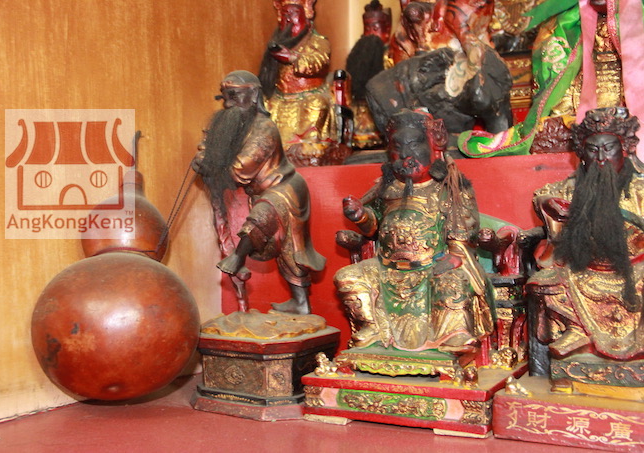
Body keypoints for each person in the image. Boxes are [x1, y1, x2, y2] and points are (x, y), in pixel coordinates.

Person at [334, 109, 495, 353]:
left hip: (431, 265)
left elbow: (465, 227)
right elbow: (373, 226)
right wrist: (360, 216)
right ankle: (373, 328)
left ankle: (453, 334)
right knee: (347, 277)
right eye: (397, 148)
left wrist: (455, 255)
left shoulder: (449, 186)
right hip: (386, 268)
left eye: (414, 145)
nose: (405, 156)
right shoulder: (386, 188)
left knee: (453, 282)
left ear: (433, 147)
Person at [193, 70, 326, 315]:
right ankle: (300, 303)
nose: (228, 104)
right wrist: (203, 158)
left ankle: (238, 257)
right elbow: (210, 148)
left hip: (285, 188)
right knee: (283, 248)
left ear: (254, 95)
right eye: (225, 97)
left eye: (234, 96)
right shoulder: (234, 126)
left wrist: (211, 166)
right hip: (262, 192)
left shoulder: (265, 129)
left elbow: (243, 166)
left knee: (274, 230)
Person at [527, 107, 644, 362]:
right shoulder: (569, 190)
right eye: (593, 150)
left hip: (635, 270)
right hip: (583, 271)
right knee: (545, 282)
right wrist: (549, 205)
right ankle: (577, 331)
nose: (601, 157)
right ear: (582, 154)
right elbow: (544, 197)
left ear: (624, 149)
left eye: (609, 148)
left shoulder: (640, 190)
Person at [459, 0, 644, 159]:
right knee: (548, 131)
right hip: (581, 106)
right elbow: (559, 87)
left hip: (631, 106)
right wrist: (563, 117)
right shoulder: (565, 26)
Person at [258, 0, 337, 166]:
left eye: (293, 13)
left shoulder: (318, 41)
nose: (288, 19)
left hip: (310, 96)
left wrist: (292, 58)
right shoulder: (278, 42)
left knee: (318, 105)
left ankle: (309, 144)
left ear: (306, 14)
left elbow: (319, 61)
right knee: (265, 108)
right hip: (281, 98)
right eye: (285, 14)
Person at [345, 0, 393, 150]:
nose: (371, 33)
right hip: (357, 113)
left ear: (387, 29)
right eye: (368, 28)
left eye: (376, 28)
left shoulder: (389, 55)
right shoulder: (359, 53)